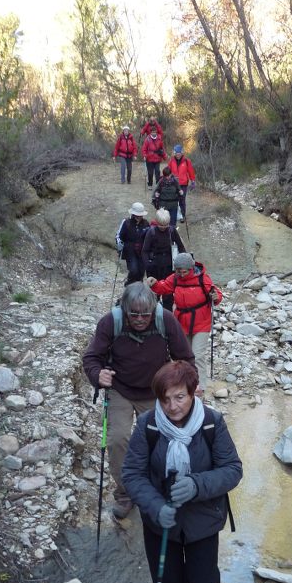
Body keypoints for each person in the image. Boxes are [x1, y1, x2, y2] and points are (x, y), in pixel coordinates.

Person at [122, 360, 242, 583]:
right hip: (162, 524)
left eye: (179, 397)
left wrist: (197, 485)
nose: (172, 406)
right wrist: (154, 505)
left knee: (202, 579)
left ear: (193, 393)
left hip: (203, 519)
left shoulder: (212, 423)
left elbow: (232, 470)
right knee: (167, 579)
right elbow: (132, 474)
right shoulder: (148, 426)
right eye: (165, 399)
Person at [82, 283, 196, 520]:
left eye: (146, 313)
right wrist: (97, 375)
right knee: (117, 440)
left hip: (156, 391)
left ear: (153, 309)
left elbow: (185, 358)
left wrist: (185, 387)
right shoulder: (109, 322)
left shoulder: (165, 320)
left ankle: (159, 486)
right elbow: (92, 357)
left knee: (163, 441)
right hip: (120, 389)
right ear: (124, 309)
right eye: (134, 314)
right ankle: (126, 493)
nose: (141, 319)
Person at [147, 252, 222, 398]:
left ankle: (200, 387)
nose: (181, 274)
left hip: (202, 322)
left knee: (197, 354)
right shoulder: (174, 279)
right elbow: (163, 287)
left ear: (191, 268)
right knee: (183, 356)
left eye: (184, 271)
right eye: (178, 270)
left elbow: (215, 293)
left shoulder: (202, 279)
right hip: (181, 322)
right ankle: (186, 383)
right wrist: (154, 283)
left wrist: (216, 296)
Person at [142, 209, 185, 311]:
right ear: (157, 222)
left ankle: (167, 315)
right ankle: (152, 313)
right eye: (161, 225)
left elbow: (181, 246)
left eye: (165, 224)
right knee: (153, 293)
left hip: (169, 267)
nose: (163, 227)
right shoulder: (151, 232)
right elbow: (144, 251)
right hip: (154, 266)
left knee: (168, 294)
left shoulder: (172, 230)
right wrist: (148, 264)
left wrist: (183, 261)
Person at [116, 202, 150, 286]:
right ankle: (129, 284)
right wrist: (120, 247)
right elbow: (120, 236)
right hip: (130, 250)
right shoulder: (126, 223)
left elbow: (149, 237)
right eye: (137, 215)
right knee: (133, 269)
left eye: (140, 215)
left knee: (141, 271)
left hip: (142, 251)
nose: (139, 217)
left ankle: (138, 287)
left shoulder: (146, 223)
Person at [168, 145, 196, 220]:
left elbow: (191, 171)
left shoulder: (187, 161)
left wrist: (193, 181)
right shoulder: (171, 161)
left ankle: (182, 215)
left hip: (183, 184)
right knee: (173, 199)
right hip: (174, 183)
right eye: (176, 153)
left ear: (182, 153)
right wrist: (167, 179)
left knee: (182, 199)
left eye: (179, 153)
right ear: (174, 153)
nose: (178, 155)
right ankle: (174, 214)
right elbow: (168, 171)